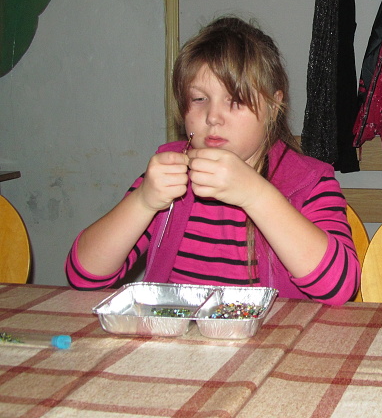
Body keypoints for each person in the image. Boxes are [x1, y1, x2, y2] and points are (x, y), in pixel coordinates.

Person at [66, 16, 361, 305]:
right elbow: (84, 276)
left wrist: (257, 196)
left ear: (274, 107)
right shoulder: (170, 174)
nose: (213, 117)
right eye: (199, 99)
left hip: (272, 335)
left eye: (236, 100)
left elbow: (340, 288)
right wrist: (143, 201)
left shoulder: (309, 182)